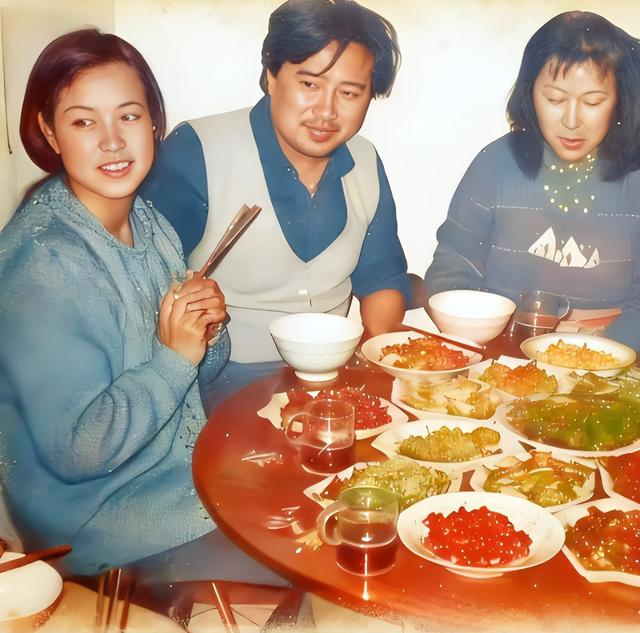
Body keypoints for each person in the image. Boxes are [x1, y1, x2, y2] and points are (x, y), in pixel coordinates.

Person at [0, 29, 279, 582]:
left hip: (175, 472)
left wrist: (204, 328)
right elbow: (79, 452)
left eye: (128, 116)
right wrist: (176, 357)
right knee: (319, 552)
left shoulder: (148, 222)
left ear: (153, 122)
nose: (112, 141)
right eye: (84, 122)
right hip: (101, 525)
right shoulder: (40, 265)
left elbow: (192, 373)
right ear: (49, 131)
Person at [140, 0, 410, 405]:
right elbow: (143, 286)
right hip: (215, 381)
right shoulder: (198, 150)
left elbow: (383, 281)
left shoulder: (366, 160)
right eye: (310, 84)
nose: (326, 111)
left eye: (349, 92)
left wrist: (379, 363)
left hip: (333, 379)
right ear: (271, 76)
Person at [424, 11, 640, 350]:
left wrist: (593, 358)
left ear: (619, 101)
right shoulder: (496, 162)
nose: (571, 121)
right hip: (500, 352)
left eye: (593, 102)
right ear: (530, 93)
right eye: (555, 99)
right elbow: (454, 264)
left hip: (611, 359)